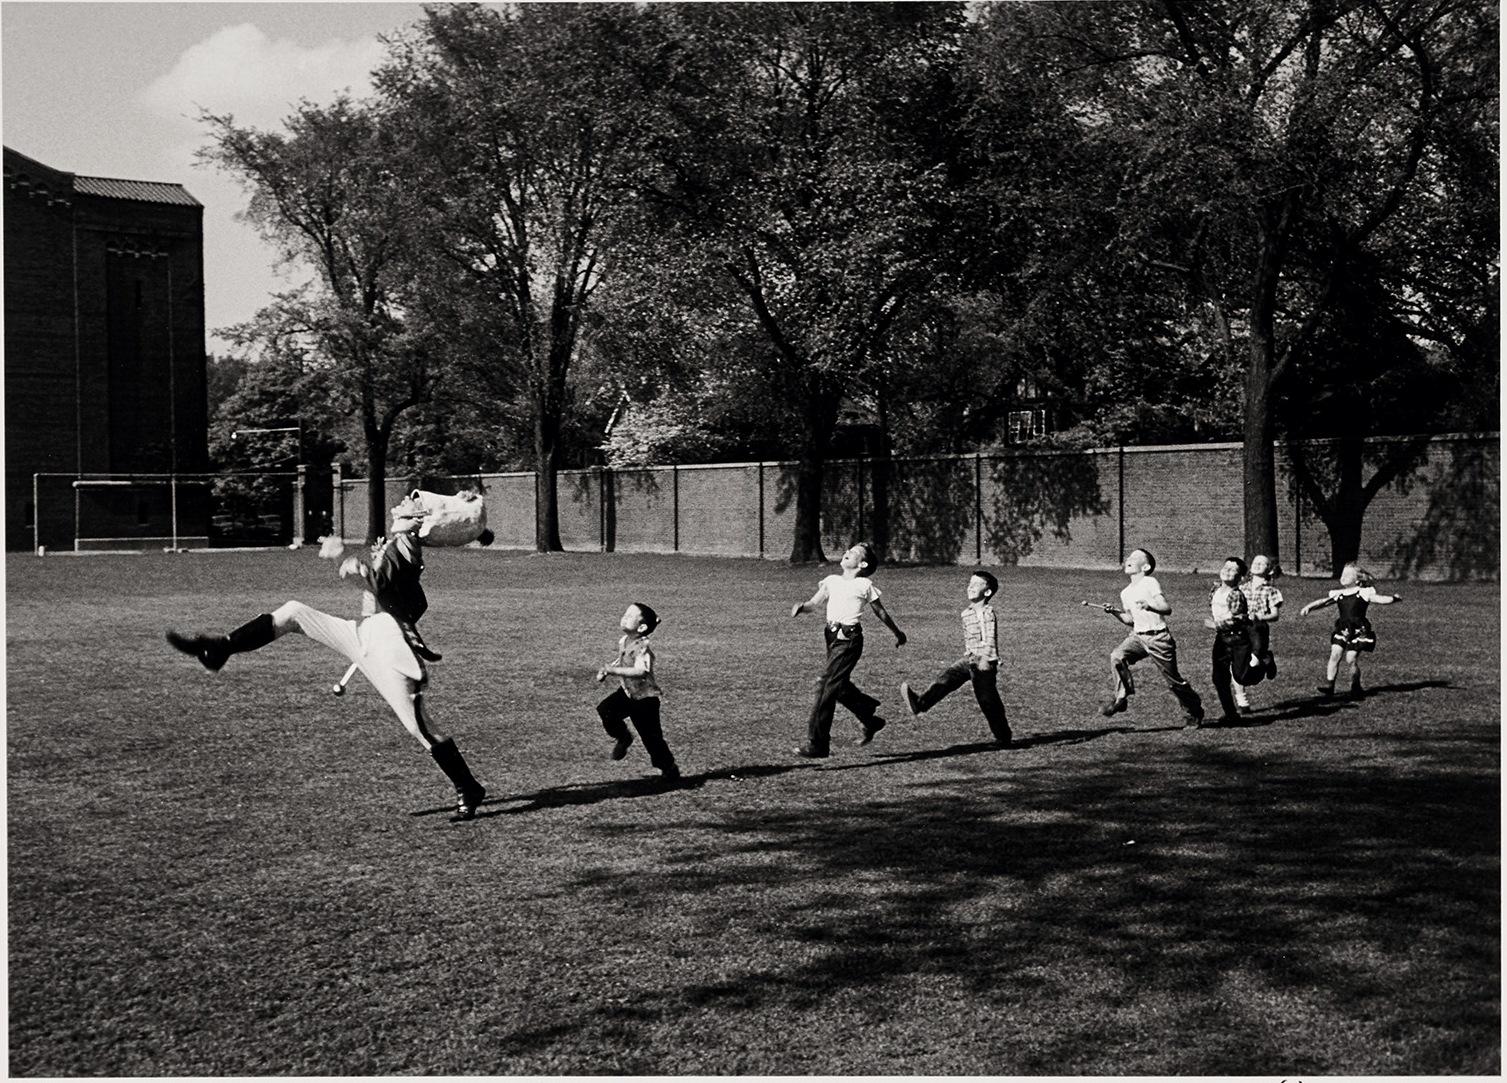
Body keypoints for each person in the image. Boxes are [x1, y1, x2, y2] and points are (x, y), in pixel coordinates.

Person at [164, 492, 489, 821]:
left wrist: (344, 559)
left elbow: (379, 582)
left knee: (419, 726)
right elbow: (413, 600)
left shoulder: (404, 544)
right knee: (293, 613)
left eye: (410, 502)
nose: (403, 501)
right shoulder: (400, 545)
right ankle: (219, 648)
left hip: (387, 643)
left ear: (418, 519)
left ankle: (468, 787)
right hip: (365, 632)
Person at [790, 541, 906, 758]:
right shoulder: (831, 581)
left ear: (862, 564)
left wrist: (898, 633)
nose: (846, 553)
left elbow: (881, 612)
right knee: (837, 686)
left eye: (853, 553)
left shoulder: (864, 585)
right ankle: (868, 716)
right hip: (832, 636)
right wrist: (802, 608)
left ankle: (818, 743)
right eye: (847, 551)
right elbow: (815, 603)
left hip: (849, 641)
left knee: (825, 687)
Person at [899, 570, 1012, 747]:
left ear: (987, 592)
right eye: (969, 583)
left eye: (976, 585)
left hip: (983, 662)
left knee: (987, 701)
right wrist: (970, 653)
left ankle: (1003, 737)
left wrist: (987, 658)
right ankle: (921, 703)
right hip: (969, 659)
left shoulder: (987, 612)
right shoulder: (966, 613)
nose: (970, 587)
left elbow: (991, 636)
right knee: (946, 679)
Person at [1095, 547, 1204, 728]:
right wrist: (1114, 612)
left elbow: (1166, 609)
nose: (1129, 559)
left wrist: (1150, 606)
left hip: (1159, 638)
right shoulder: (1125, 592)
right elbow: (1130, 620)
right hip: (1138, 636)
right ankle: (1121, 697)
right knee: (1117, 656)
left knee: (1174, 681)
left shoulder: (1150, 582)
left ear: (1145, 567)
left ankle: (1193, 711)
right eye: (1129, 556)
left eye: (1135, 557)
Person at [595, 602, 680, 783]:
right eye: (624, 614)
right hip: (627, 693)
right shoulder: (624, 641)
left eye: (629, 616)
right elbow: (622, 658)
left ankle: (669, 769)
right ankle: (623, 737)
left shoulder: (643, 648)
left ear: (641, 627)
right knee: (605, 710)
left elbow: (641, 671)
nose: (623, 618)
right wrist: (609, 668)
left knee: (651, 739)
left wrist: (613, 671)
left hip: (645, 700)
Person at [1299, 563, 1401, 698]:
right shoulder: (1338, 593)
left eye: (1348, 575)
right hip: (1342, 629)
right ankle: (1329, 686)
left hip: (1358, 630)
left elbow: (1379, 599)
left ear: (1357, 580)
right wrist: (1309, 607)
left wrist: (1393, 599)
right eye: (1342, 574)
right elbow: (1323, 602)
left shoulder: (1364, 592)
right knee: (1335, 654)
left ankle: (1355, 685)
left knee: (1350, 659)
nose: (1343, 577)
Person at [1205, 556, 1264, 724]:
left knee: (1241, 677)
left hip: (1238, 639)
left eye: (1232, 570)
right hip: (1221, 640)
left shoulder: (1235, 594)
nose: (1227, 571)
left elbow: (1239, 619)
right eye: (1225, 567)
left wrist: (1217, 625)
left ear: (1240, 577)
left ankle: (1265, 662)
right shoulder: (1215, 589)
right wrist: (1218, 627)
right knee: (1219, 677)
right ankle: (1231, 714)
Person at [1242, 553, 1284, 681]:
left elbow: (1275, 615)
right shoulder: (1242, 588)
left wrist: (1260, 617)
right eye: (1255, 562)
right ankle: (1266, 658)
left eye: (1262, 563)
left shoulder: (1271, 591)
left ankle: (1265, 661)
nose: (1257, 564)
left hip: (1258, 628)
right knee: (1243, 656)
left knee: (1254, 660)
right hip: (1242, 626)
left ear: (1269, 570)